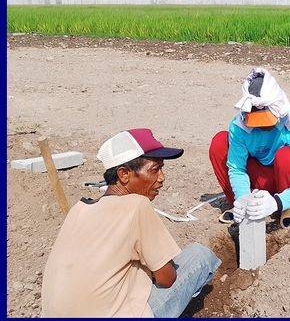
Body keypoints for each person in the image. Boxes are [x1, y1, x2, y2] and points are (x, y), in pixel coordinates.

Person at [41, 128, 221, 318]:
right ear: (124, 174)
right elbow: (167, 279)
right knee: (199, 256)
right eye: (154, 169)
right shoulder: (137, 205)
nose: (161, 177)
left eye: (162, 168)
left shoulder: (79, 209)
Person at [209, 68, 290, 227]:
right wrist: (242, 197)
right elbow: (237, 168)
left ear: (279, 109)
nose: (261, 127)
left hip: (285, 181)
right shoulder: (239, 128)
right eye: (256, 122)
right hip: (257, 178)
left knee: (287, 156)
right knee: (219, 142)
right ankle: (242, 207)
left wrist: (277, 203)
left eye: (266, 122)